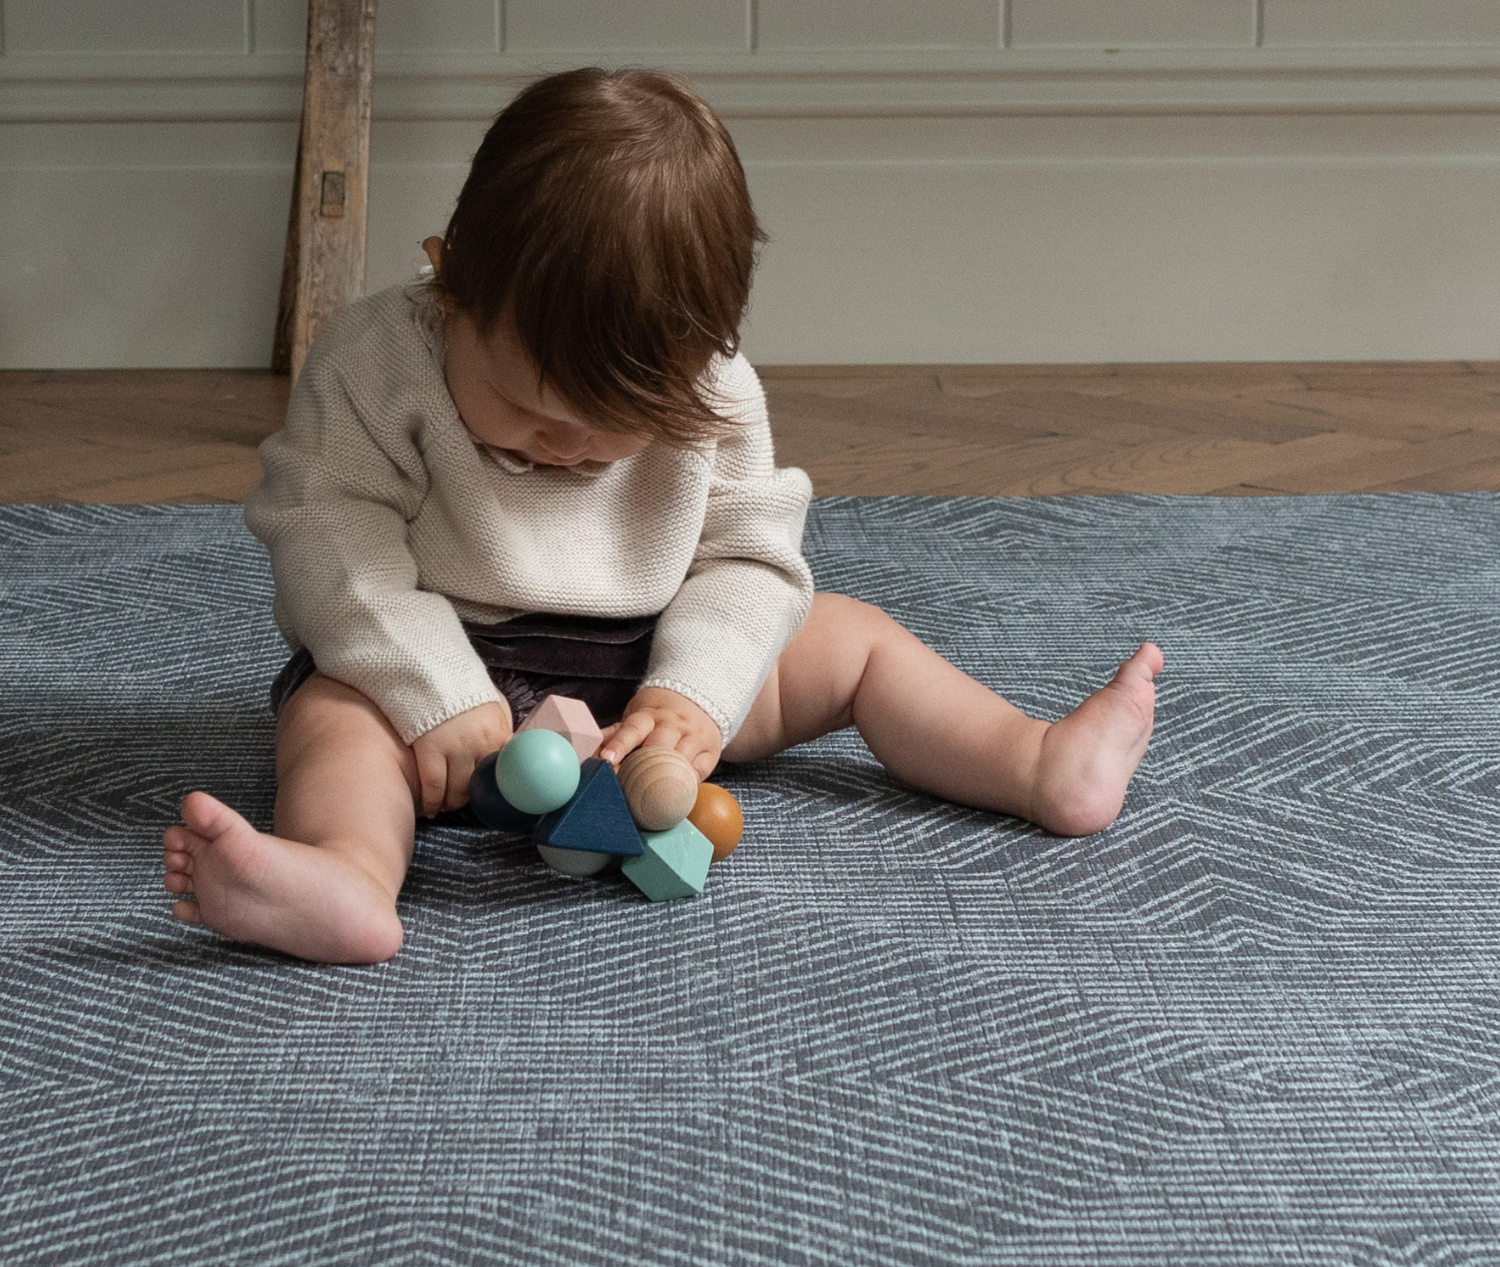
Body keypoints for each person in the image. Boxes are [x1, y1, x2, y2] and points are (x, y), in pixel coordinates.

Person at [162, 67, 1162, 966]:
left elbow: (749, 560)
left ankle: (1035, 763)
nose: (562, 446)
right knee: (333, 723)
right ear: (453, 279)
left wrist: (692, 698)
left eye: (610, 429)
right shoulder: (376, 359)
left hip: (647, 668)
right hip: (439, 674)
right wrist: (432, 692)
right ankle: (345, 875)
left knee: (853, 641)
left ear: (702, 353)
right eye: (520, 405)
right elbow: (331, 534)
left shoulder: (716, 391)